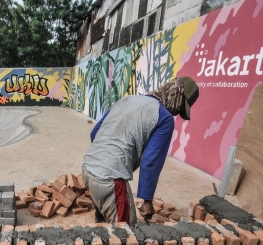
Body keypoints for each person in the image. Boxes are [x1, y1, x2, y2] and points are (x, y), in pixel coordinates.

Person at [82, 76, 200, 226]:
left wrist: (102, 159)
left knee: (104, 227)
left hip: (87, 169)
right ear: (177, 95)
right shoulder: (164, 117)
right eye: (181, 106)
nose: (177, 112)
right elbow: (150, 161)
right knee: (124, 235)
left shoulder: (127, 100)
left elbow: (95, 133)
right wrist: (147, 199)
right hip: (110, 181)